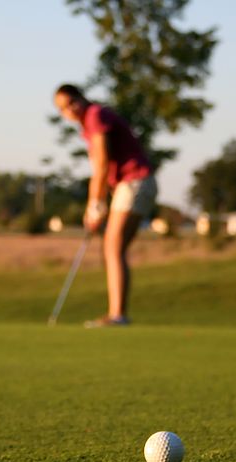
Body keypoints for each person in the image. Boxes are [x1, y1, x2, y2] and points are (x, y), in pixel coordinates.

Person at [53, 84, 158, 327]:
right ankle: (117, 313)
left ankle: (117, 315)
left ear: (81, 97)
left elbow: (101, 165)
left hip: (134, 182)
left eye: (72, 101)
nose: (70, 108)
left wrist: (95, 205)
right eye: (63, 107)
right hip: (132, 184)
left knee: (113, 247)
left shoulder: (95, 115)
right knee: (114, 249)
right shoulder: (89, 123)